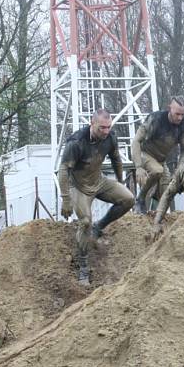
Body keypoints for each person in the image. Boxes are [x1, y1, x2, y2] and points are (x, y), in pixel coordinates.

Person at [59, 109, 135, 285]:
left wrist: (120, 181)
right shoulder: (77, 142)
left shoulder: (110, 137)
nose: (106, 131)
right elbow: (63, 170)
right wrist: (66, 199)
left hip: (99, 181)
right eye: (102, 127)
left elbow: (116, 159)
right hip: (78, 187)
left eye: (109, 127)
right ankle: (83, 266)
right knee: (85, 221)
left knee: (128, 199)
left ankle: (99, 226)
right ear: (92, 124)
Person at [131, 96, 184, 213]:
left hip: (160, 161)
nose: (180, 118)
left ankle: (154, 213)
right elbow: (136, 141)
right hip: (144, 154)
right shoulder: (155, 119)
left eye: (183, 114)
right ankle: (140, 198)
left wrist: (178, 171)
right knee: (157, 170)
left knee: (168, 192)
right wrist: (138, 166)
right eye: (177, 114)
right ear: (170, 108)